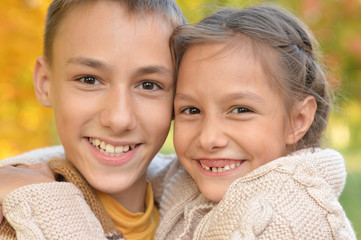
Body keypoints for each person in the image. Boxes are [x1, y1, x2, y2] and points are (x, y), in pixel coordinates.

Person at [151, 5, 356, 239]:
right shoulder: (190, 175)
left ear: (297, 121)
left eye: (240, 110)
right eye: (192, 110)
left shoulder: (282, 220)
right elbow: (155, 172)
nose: (208, 138)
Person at [0, 0, 185, 239]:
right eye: (89, 80)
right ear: (45, 83)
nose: (119, 119)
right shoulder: (10, 223)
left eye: (149, 85)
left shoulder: (216, 216)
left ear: (179, 98)